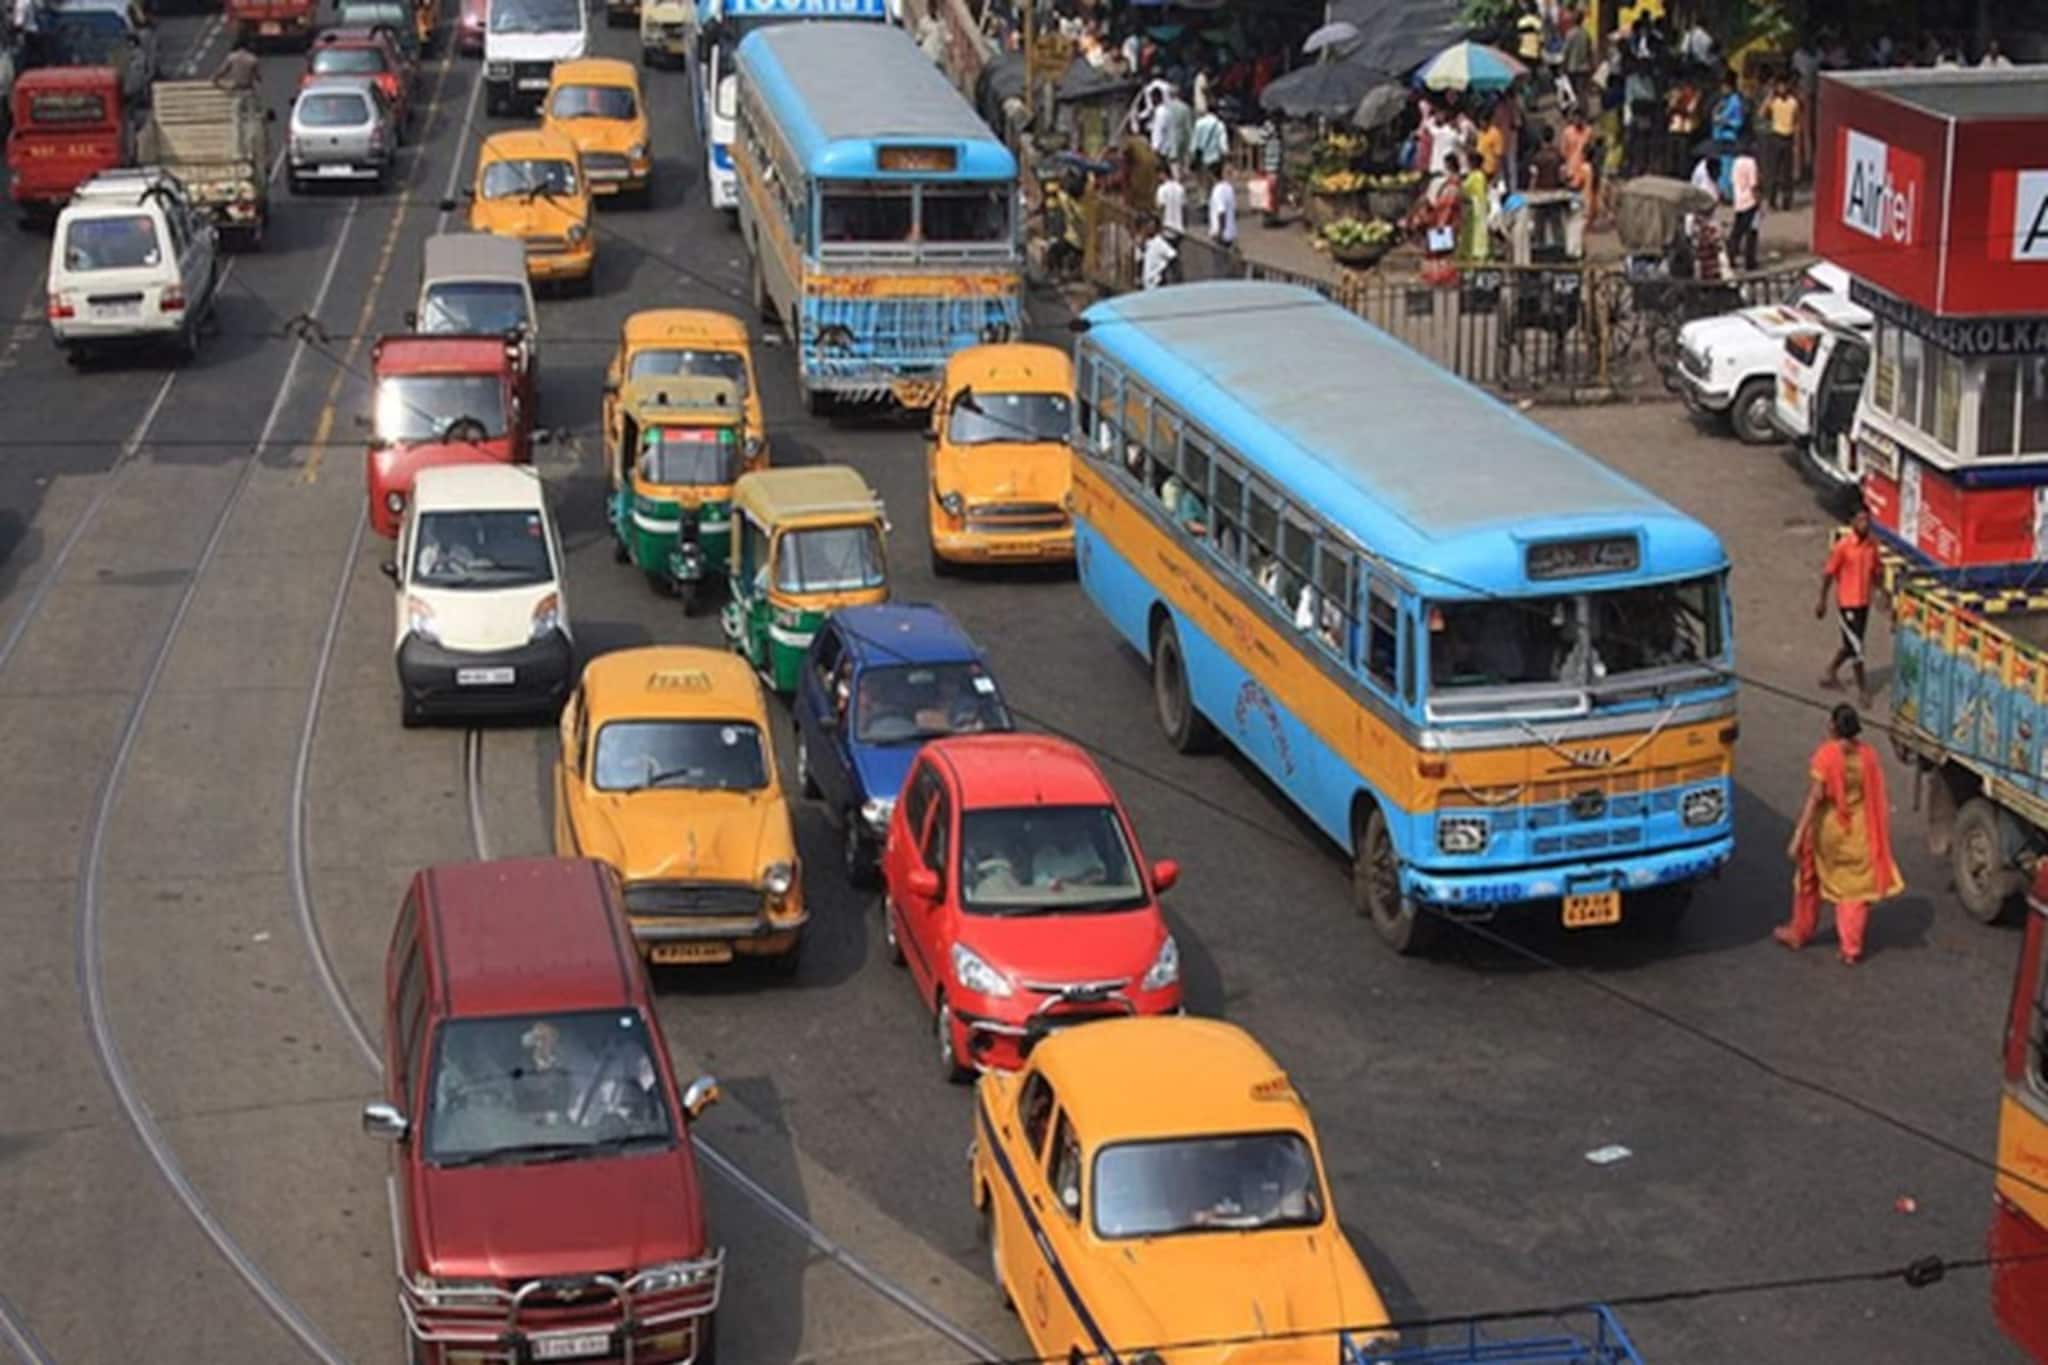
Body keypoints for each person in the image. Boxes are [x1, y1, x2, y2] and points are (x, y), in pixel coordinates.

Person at [1778, 704, 1903, 966]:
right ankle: (1850, 948)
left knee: (1808, 877)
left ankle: (1800, 931)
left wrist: (1798, 835)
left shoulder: (1826, 756)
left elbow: (1815, 797)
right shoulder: (1867, 756)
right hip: (1859, 831)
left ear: (1834, 726)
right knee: (1854, 891)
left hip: (1830, 831)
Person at [1817, 506, 1884, 707]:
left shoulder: (1872, 546)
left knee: (1851, 644)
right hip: (1847, 603)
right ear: (1853, 522)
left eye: (1867, 520)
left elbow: (1877, 571)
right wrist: (1822, 600)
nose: (1865, 524)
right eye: (1860, 520)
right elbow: (1829, 573)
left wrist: (1883, 593)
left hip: (1864, 602)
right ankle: (1863, 690)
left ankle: (1830, 672)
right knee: (1857, 648)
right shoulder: (1843, 547)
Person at [1760, 79, 1798, 211]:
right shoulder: (1774, 102)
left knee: (1787, 172)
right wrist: (1769, 96)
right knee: (1774, 171)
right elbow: (1762, 113)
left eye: (1784, 85)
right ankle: (1772, 200)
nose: (1782, 88)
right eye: (1780, 86)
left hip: (1788, 137)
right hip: (1776, 136)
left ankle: (1787, 201)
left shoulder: (1793, 102)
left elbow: (1797, 121)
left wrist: (1796, 142)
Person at [1728, 143, 1760, 270]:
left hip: (1738, 201)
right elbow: (1753, 185)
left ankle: (1731, 256)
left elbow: (1733, 181)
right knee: (1751, 232)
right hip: (1750, 201)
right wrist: (1758, 200)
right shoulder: (1751, 163)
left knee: (1737, 232)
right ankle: (1750, 261)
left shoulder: (1736, 162)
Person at [1457, 154, 1490, 262]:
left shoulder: (1477, 176)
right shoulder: (1477, 175)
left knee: (1476, 237)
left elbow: (1465, 190)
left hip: (1476, 209)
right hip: (1475, 209)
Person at [1191, 103, 1227, 191]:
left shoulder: (1199, 123)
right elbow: (1223, 143)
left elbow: (1194, 142)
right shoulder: (1219, 125)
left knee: (1203, 183)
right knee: (1215, 181)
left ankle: (1204, 200)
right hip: (1215, 157)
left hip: (1201, 157)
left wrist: (1193, 154)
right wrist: (1224, 154)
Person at [1138, 216, 1176, 289]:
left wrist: (1164, 274)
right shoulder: (1146, 243)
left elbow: (1173, 256)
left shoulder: (1160, 243)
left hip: (1157, 283)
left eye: (1152, 226)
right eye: (1148, 225)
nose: (1150, 228)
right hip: (1147, 284)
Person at [1527, 124, 1563, 190]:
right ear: (1553, 137)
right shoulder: (1558, 155)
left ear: (1541, 138)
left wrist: (1530, 190)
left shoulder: (1536, 157)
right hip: (1554, 189)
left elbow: (1534, 176)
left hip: (1540, 190)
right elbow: (1560, 175)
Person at [1153, 164, 1186, 236]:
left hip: (1167, 229)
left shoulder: (1162, 189)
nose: (1157, 177)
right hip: (1179, 229)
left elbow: (1161, 208)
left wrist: (1157, 226)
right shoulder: (1180, 188)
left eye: (1158, 174)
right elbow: (1183, 208)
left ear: (1163, 173)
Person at [1206, 172, 1236, 248]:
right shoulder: (1229, 187)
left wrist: (1220, 233)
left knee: (1220, 258)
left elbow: (1221, 212)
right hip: (1230, 233)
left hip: (1220, 235)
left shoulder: (1217, 190)